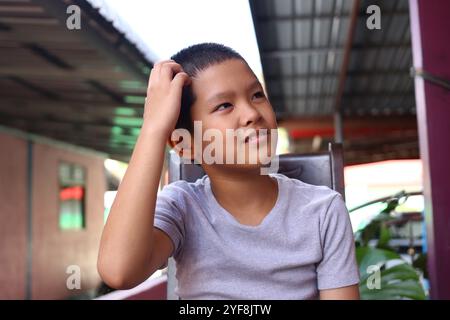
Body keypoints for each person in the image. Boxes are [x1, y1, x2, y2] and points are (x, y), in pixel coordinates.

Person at [97, 42, 360, 300]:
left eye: (257, 95)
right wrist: (153, 129)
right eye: (224, 105)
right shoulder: (183, 206)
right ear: (185, 144)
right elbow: (120, 272)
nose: (251, 113)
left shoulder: (323, 210)